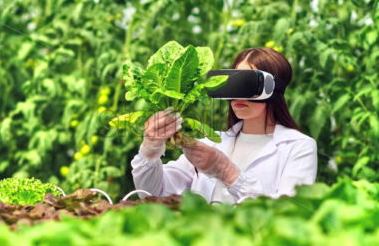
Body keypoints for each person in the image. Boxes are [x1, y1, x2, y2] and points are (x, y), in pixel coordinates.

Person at [130, 47, 318, 204]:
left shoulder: (298, 147)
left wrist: (227, 172)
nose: (237, 97)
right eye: (232, 84)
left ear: (273, 90)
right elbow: (153, 193)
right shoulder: (212, 144)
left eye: (246, 85)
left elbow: (291, 212)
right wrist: (149, 152)